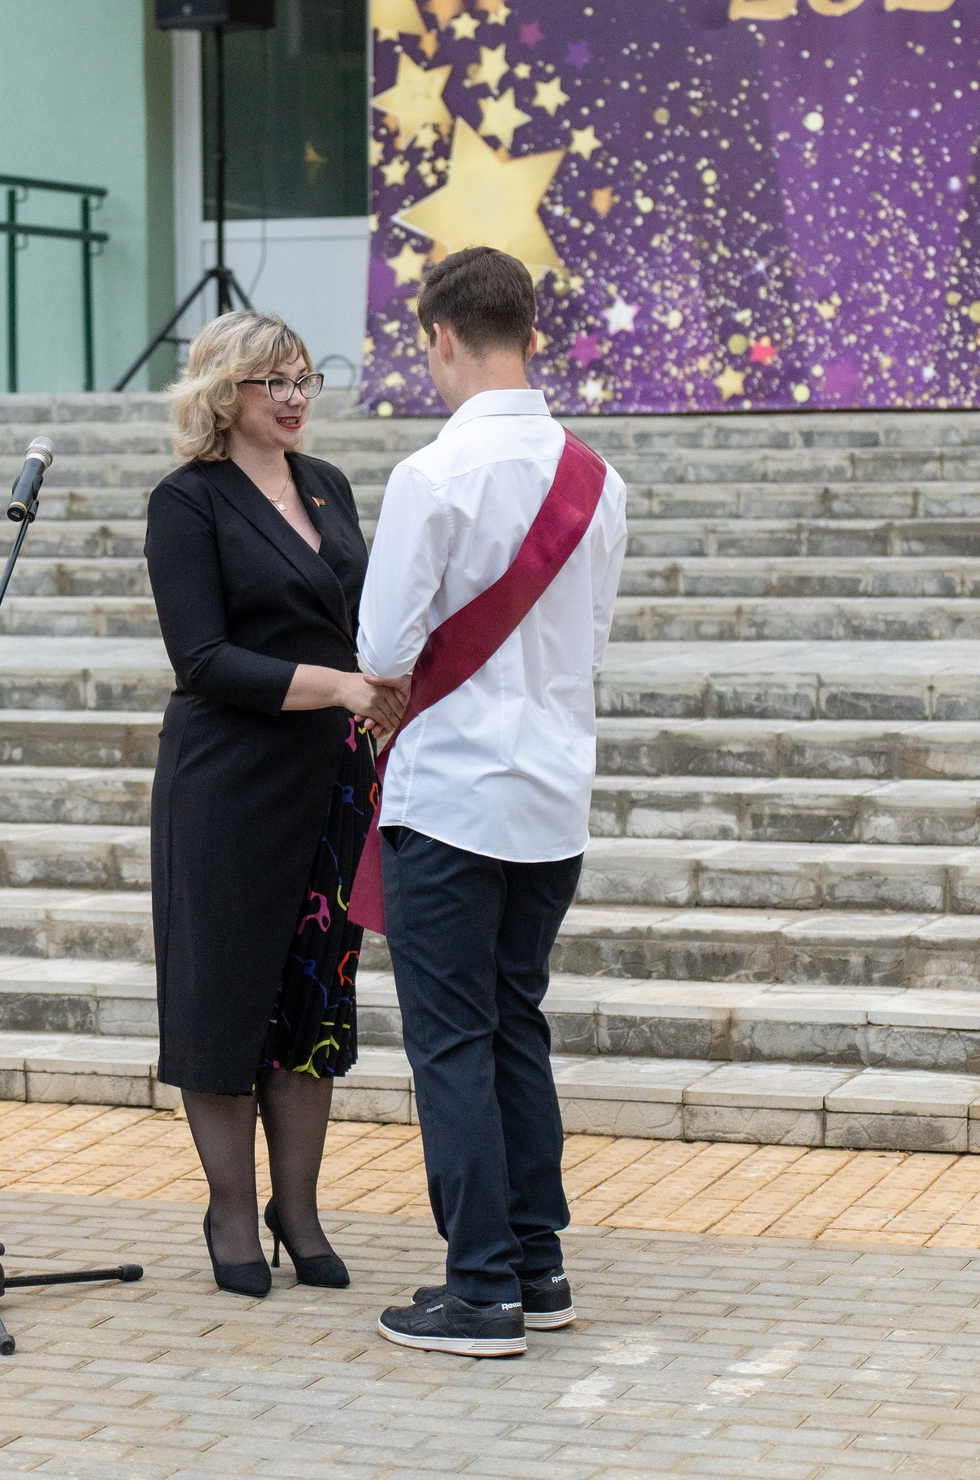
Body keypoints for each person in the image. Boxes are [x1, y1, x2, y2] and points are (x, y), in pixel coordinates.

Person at [355, 247, 629, 1357]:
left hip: (451, 796)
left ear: (438, 337)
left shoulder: (431, 476)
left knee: (453, 1041)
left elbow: (380, 651)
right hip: (551, 794)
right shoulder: (598, 481)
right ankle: (537, 1262)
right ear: (531, 332)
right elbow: (591, 640)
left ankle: (480, 1292)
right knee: (516, 1025)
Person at [143, 310, 408, 1298]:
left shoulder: (327, 486)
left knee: (312, 1000)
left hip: (329, 778)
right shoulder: (188, 501)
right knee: (222, 998)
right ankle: (227, 1210)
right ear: (226, 394)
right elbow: (201, 658)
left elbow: (369, 613)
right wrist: (339, 684)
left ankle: (296, 1211)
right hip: (227, 782)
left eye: (305, 377)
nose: (296, 397)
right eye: (274, 382)